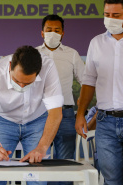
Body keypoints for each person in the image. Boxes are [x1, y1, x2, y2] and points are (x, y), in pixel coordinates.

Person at [0, 45, 63, 185]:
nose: (21, 87)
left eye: (28, 83)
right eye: (16, 81)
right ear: (10, 66)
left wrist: (41, 148)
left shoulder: (48, 67)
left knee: (37, 176)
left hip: (37, 119)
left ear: (38, 73)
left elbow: (55, 113)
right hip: (3, 120)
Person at [75, 0, 123, 184]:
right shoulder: (96, 42)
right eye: (107, 15)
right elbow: (88, 81)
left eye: (116, 15)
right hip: (105, 122)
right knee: (111, 179)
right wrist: (81, 114)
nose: (110, 19)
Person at [36, 15, 84, 164]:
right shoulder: (33, 54)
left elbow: (86, 81)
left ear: (63, 33)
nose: (53, 33)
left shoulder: (72, 54)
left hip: (65, 113)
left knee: (64, 161)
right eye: (49, 30)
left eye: (57, 30)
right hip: (38, 113)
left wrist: (82, 101)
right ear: (42, 32)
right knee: (37, 158)